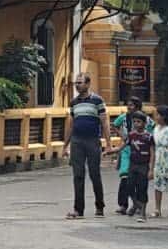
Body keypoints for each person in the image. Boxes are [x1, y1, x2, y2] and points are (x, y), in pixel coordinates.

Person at [62, 73, 110, 219]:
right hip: (77, 141)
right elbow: (70, 125)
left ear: (88, 84)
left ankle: (100, 206)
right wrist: (65, 146)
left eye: (80, 83)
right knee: (78, 175)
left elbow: (104, 122)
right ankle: (78, 209)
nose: (77, 85)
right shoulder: (74, 103)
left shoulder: (97, 101)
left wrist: (108, 144)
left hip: (92, 140)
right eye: (76, 83)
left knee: (95, 174)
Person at [112, 96, 154, 215]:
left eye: (131, 105)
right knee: (125, 178)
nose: (128, 107)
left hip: (141, 151)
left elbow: (153, 128)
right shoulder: (124, 117)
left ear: (137, 106)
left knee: (140, 182)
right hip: (127, 149)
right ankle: (124, 204)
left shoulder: (145, 119)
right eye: (128, 105)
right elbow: (114, 125)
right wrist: (122, 135)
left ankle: (139, 205)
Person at [125, 111, 154, 222]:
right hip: (133, 164)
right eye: (134, 122)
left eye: (139, 122)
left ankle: (143, 213)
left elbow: (152, 153)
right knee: (129, 186)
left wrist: (151, 169)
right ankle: (136, 204)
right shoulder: (131, 135)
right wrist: (112, 151)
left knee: (142, 188)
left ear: (144, 123)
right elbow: (124, 146)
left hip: (144, 165)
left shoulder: (148, 136)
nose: (137, 124)